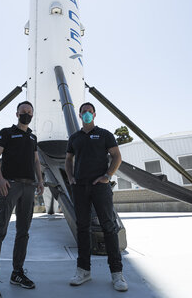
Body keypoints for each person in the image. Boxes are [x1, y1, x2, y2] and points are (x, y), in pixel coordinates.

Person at [65, 102, 128, 292]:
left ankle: (117, 273)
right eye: (83, 112)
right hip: (80, 187)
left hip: (100, 187)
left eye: (89, 112)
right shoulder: (74, 137)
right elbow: (68, 159)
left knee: (109, 226)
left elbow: (117, 156)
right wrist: (70, 177)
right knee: (82, 228)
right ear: (79, 115)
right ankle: (83, 270)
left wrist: (107, 176)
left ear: (94, 114)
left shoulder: (105, 134)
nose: (86, 114)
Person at [0, 101, 44, 298]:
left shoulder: (33, 137)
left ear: (32, 115)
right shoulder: (7, 132)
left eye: (29, 112)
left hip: (29, 187)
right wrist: (0, 179)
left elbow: (36, 160)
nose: (26, 114)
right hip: (9, 186)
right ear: (16, 113)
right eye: (23, 112)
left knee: (23, 232)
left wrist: (40, 181)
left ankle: (17, 273)